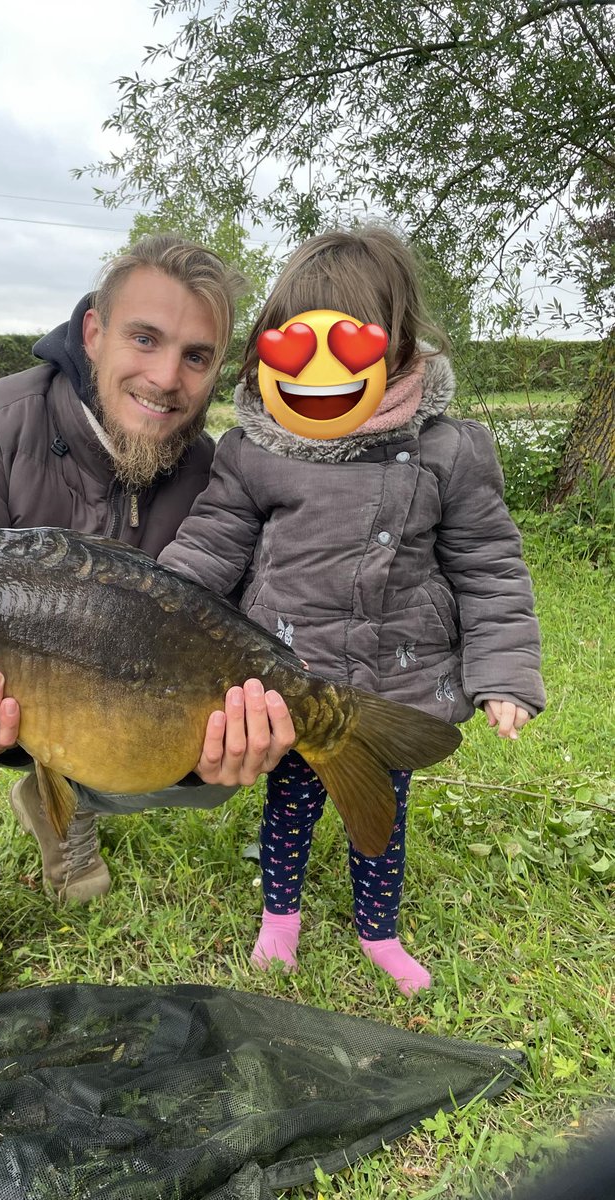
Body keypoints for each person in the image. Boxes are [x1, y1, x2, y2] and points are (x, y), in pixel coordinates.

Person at [0, 234, 296, 998]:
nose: (165, 378)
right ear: (93, 333)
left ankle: (60, 803)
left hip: (94, 712)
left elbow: (237, 628)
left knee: (227, 743)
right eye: (144, 339)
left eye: (196, 356)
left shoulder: (218, 477)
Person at [158, 226, 545, 995]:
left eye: (352, 350)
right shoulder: (254, 449)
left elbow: (490, 567)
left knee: (381, 819)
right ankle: (281, 920)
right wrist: (154, 616)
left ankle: (380, 930)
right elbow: (209, 548)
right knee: (289, 807)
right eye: (295, 348)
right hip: (285, 686)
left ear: (399, 349)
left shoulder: (450, 452)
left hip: (392, 693)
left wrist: (503, 675)